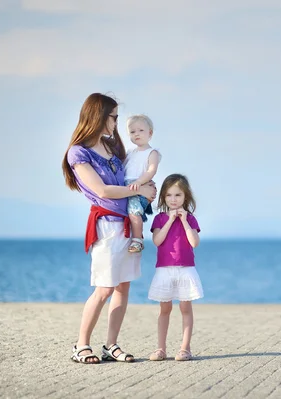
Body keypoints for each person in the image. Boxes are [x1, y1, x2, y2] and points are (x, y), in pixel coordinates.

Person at [61, 93, 157, 364]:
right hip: (107, 226)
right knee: (104, 288)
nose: (117, 123)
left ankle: (111, 345)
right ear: (100, 116)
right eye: (114, 117)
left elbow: (129, 182)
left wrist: (145, 192)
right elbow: (102, 189)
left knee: (122, 288)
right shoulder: (78, 152)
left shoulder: (113, 148)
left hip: (126, 224)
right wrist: (137, 190)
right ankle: (81, 345)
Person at [147, 174, 204, 362]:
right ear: (163, 196)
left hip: (186, 269)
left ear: (185, 196)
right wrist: (171, 220)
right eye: (169, 195)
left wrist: (185, 220)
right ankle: (161, 349)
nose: (173, 199)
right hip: (164, 270)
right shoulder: (160, 219)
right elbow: (157, 240)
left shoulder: (191, 219)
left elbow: (194, 243)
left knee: (186, 308)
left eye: (178, 195)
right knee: (164, 310)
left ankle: (185, 348)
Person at [123, 114, 161, 253]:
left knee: (133, 213)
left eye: (141, 130)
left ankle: (137, 240)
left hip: (139, 185)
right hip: (128, 185)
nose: (136, 134)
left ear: (150, 133)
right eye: (132, 132)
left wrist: (139, 182)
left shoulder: (152, 152)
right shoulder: (130, 152)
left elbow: (152, 170)